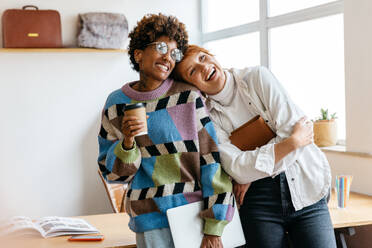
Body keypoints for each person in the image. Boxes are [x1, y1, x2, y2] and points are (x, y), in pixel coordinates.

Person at [173, 45, 337, 248]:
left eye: (203, 57)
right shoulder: (208, 117)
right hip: (259, 201)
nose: (204, 67)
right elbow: (236, 168)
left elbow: (291, 131)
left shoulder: (258, 77)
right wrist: (291, 142)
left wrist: (252, 172)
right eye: (193, 71)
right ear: (192, 86)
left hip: (305, 185)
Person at [97, 15, 234, 248]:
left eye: (174, 53)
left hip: (195, 218)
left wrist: (215, 226)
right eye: (161, 47)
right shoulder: (116, 104)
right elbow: (112, 175)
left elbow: (211, 161)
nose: (168, 57)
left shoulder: (189, 97)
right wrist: (128, 143)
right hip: (149, 222)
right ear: (138, 54)